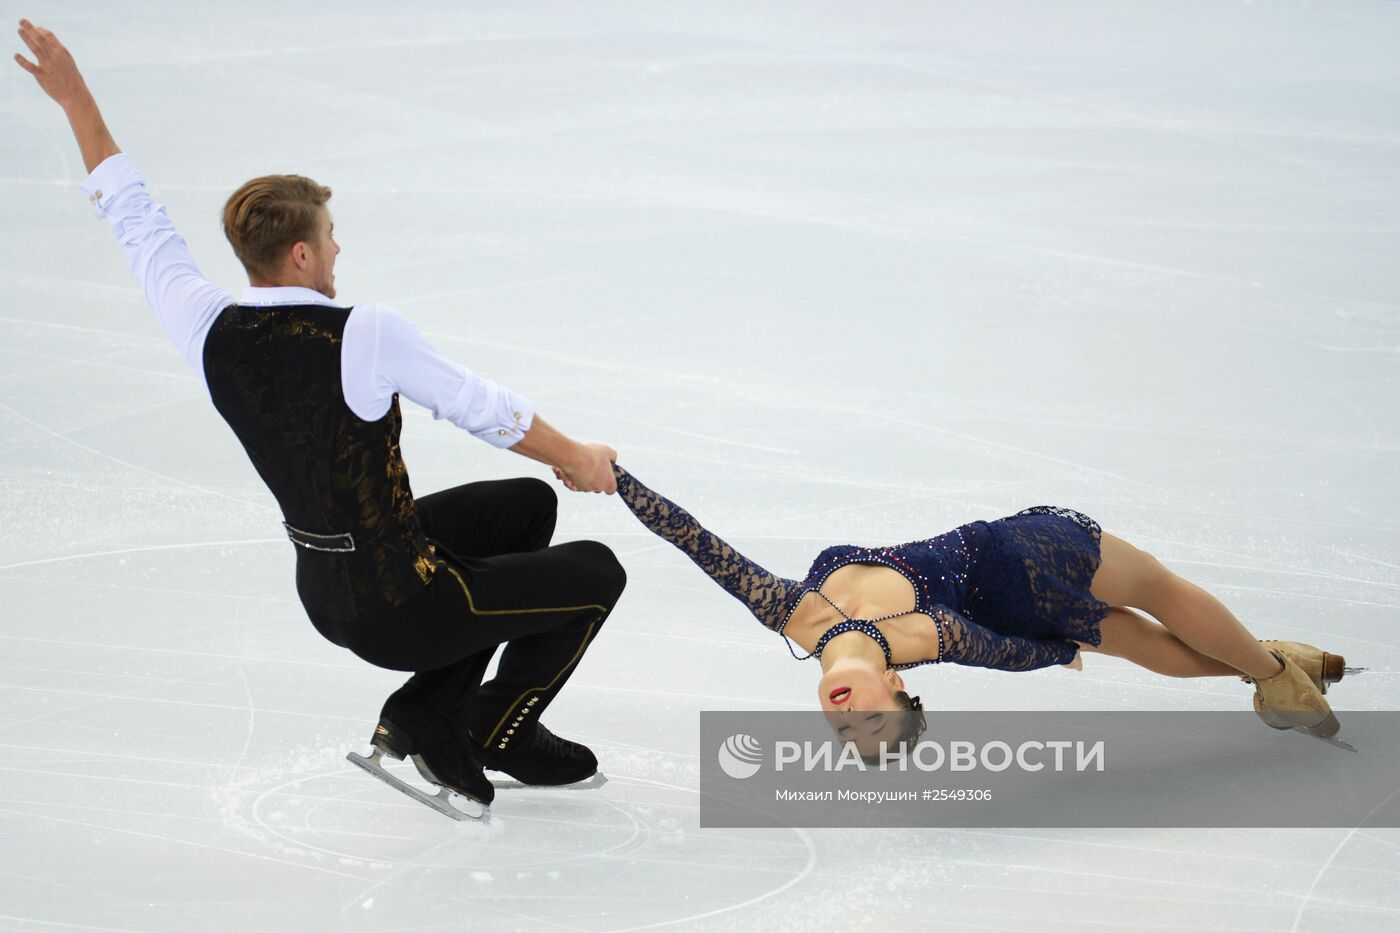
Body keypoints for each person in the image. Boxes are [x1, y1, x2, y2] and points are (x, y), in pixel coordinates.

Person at [15, 19, 625, 820]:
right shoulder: (362, 333)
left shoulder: (207, 326)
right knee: (598, 573)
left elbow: (134, 221)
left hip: (326, 590)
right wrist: (577, 453)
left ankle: (422, 712)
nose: (338, 252)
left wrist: (76, 100)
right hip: (402, 602)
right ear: (301, 254)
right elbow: (484, 407)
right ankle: (496, 728)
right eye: (330, 239)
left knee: (526, 506)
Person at [594, 463, 1350, 758]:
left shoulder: (792, 615)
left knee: (1146, 635)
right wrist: (1056, 650)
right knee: (1159, 596)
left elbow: (694, 540)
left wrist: (615, 478)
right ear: (896, 690)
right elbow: (999, 649)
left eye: (846, 729)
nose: (850, 715)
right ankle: (1276, 671)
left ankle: (1274, 669)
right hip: (1023, 558)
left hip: (1017, 581)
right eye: (873, 720)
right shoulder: (916, 637)